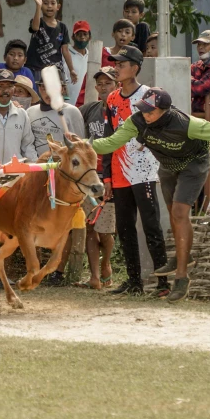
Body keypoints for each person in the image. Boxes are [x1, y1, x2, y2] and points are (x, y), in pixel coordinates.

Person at [93, 87, 210, 302]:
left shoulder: (185, 124)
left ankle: (181, 277)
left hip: (194, 164)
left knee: (181, 212)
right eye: (143, 109)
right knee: (174, 213)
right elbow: (111, 143)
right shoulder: (137, 122)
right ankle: (184, 255)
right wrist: (87, 144)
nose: (145, 115)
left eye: (151, 111)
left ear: (165, 110)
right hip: (167, 166)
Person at [103, 46, 167, 296]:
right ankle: (133, 281)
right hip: (119, 171)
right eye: (116, 64)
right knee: (125, 227)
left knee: (151, 225)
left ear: (135, 68)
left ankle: (163, 283)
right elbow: (108, 136)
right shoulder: (110, 98)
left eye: (121, 64)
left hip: (144, 170)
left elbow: (161, 127)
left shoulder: (149, 95)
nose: (116, 68)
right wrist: (106, 175)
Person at [79, 66, 118, 288]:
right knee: (89, 227)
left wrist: (111, 179)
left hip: (112, 176)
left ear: (116, 86)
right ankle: (94, 276)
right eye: (100, 84)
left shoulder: (120, 111)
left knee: (105, 229)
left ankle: (107, 265)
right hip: (90, 177)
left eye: (108, 83)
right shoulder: (89, 109)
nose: (103, 87)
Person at [26, 0, 78, 87]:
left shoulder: (62, 27)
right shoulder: (37, 22)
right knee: (36, 98)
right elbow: (35, 28)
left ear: (58, 7)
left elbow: (65, 50)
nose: (49, 6)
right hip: (36, 69)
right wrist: (38, 6)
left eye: (52, 3)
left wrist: (72, 69)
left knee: (54, 100)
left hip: (54, 71)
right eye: (45, 3)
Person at [27, 71, 85, 156]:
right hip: (37, 165)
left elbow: (80, 146)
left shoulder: (72, 112)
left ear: (63, 89)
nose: (48, 93)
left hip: (62, 166)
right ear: (39, 88)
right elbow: (27, 143)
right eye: (44, 88)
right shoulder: (30, 112)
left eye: (53, 88)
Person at [67, 20, 91, 106]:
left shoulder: (92, 57)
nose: (82, 37)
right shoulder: (65, 55)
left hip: (85, 104)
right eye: (79, 34)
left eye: (85, 34)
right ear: (73, 37)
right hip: (67, 103)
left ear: (90, 37)